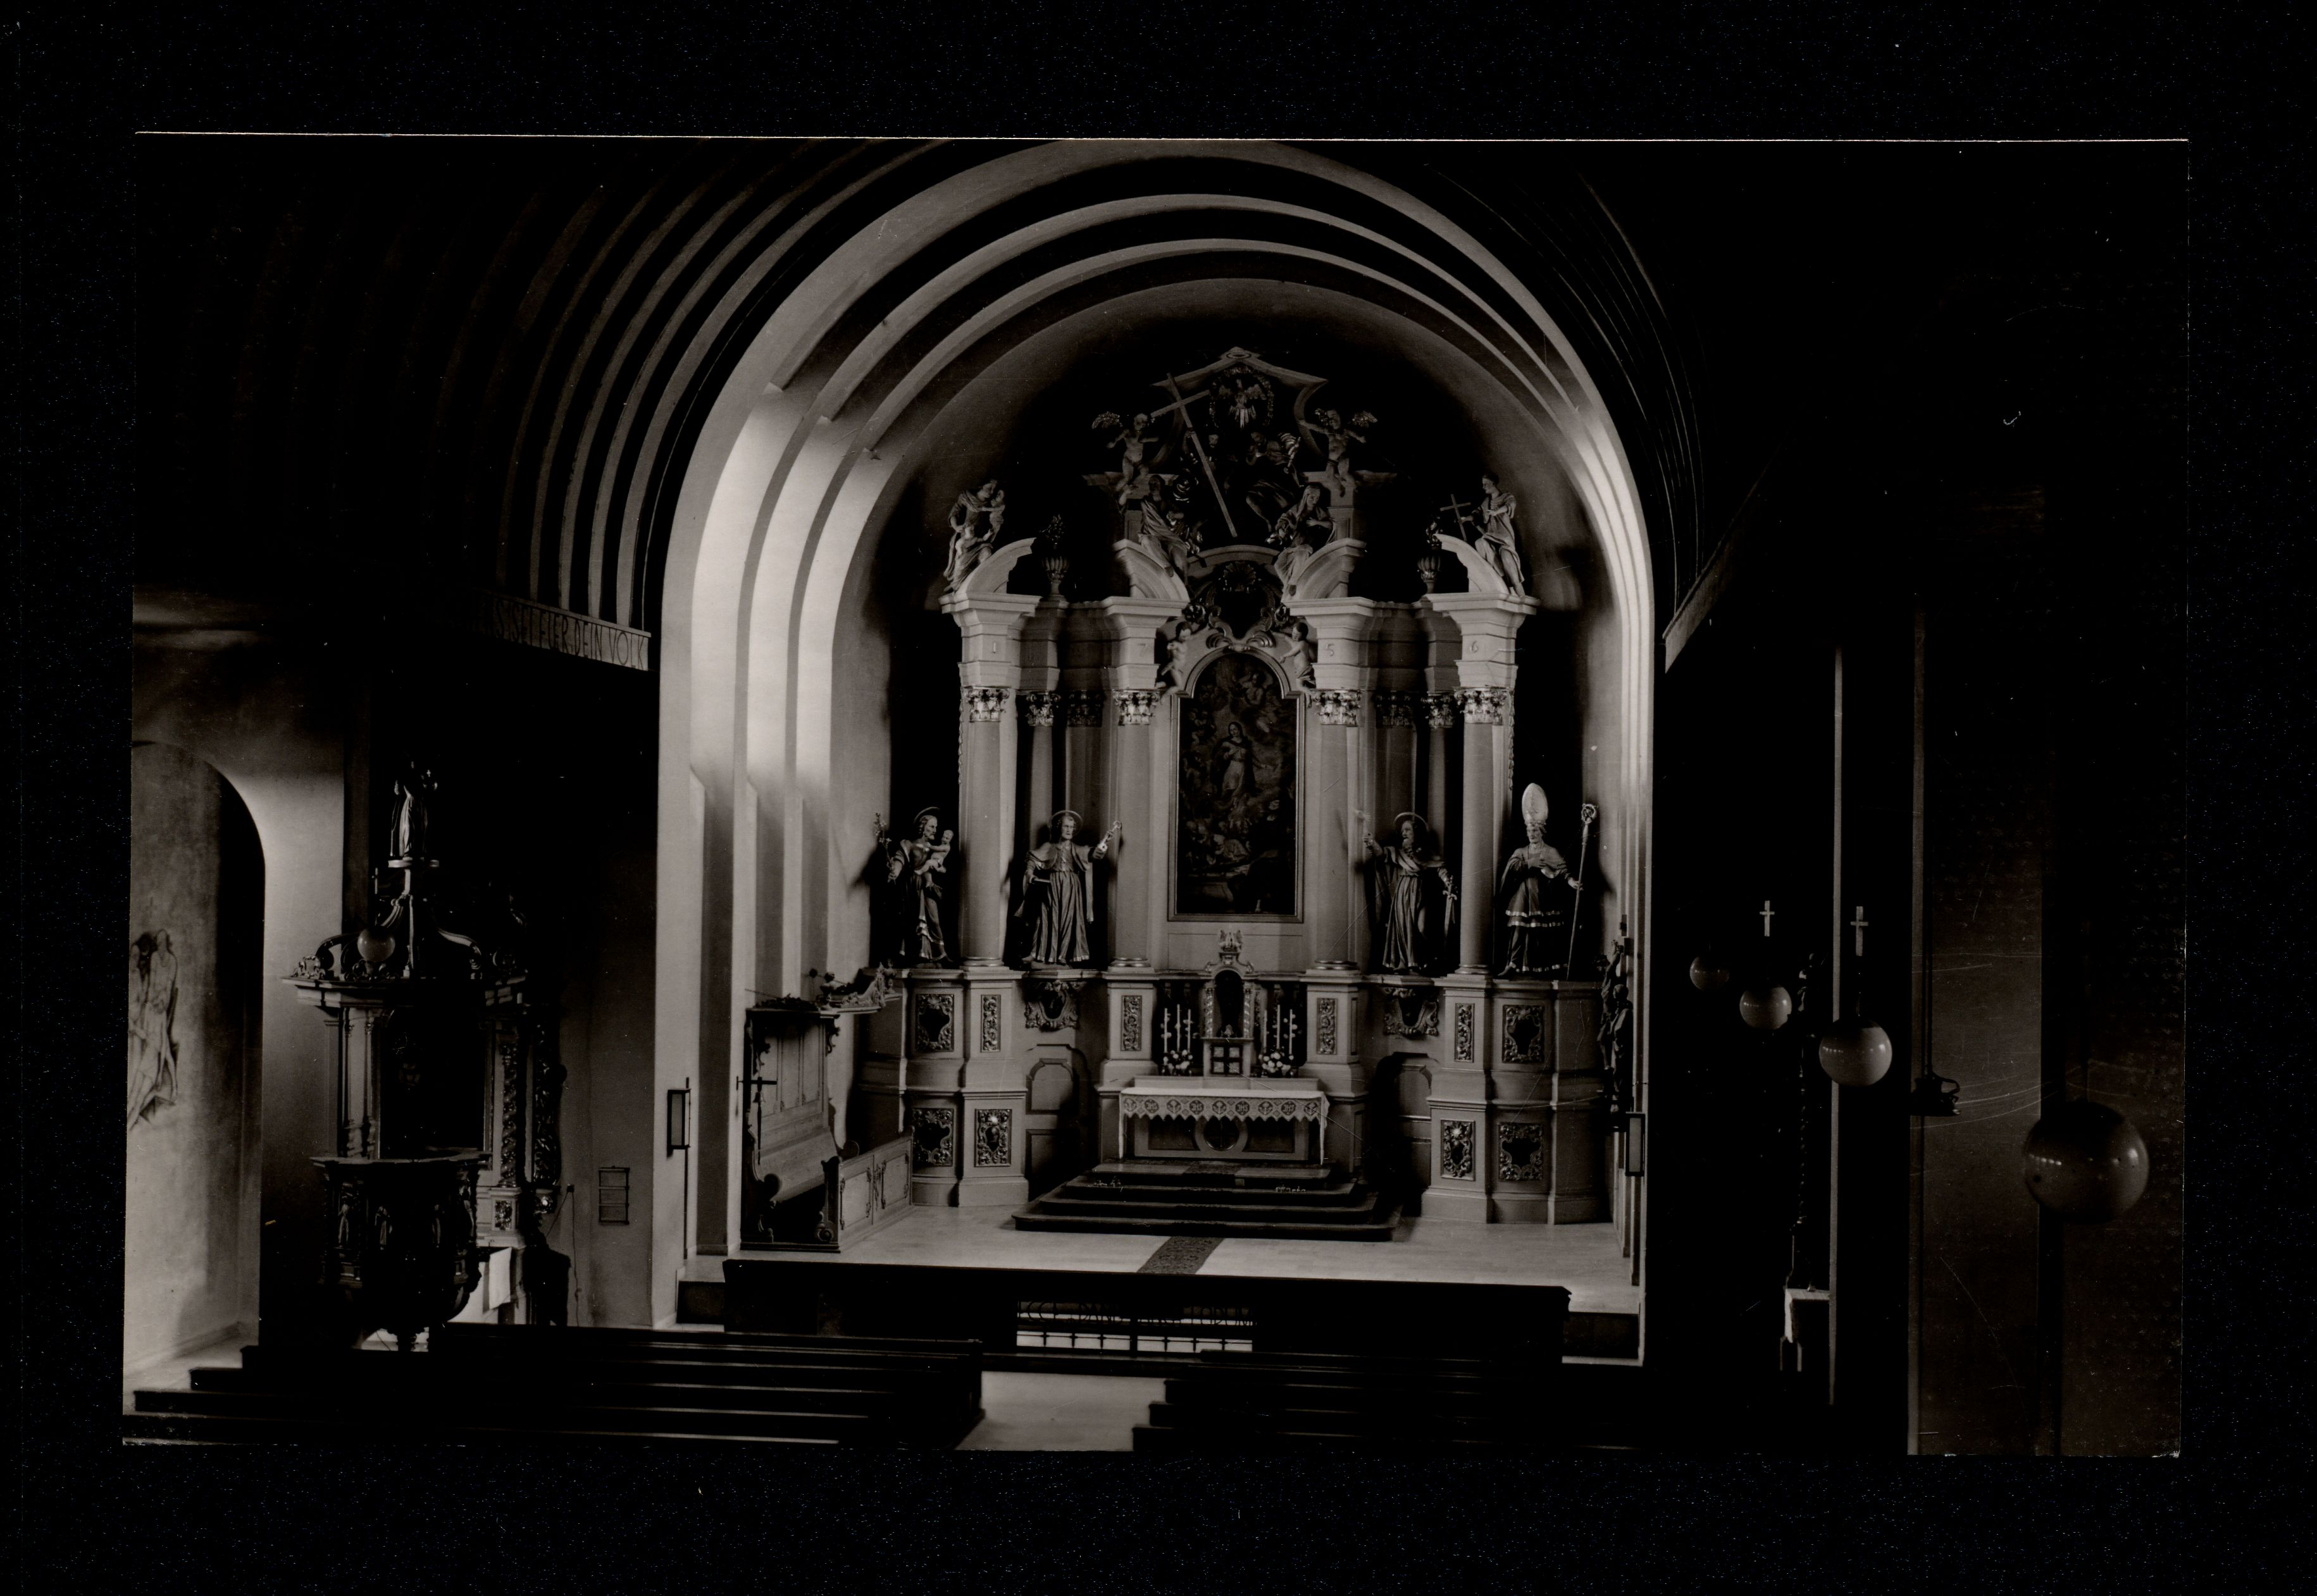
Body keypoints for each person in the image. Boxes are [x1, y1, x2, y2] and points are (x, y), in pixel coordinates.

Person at [1017, 810, 1119, 966]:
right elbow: (1032, 859)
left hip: (1070, 886)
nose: (1069, 830)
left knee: (1068, 919)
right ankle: (1036, 953)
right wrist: (1030, 873)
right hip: (1051, 884)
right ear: (1059, 827)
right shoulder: (1049, 846)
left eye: (1072, 827)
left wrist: (1104, 843)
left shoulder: (1076, 848)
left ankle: (1062, 955)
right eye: (1066, 826)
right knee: (1044, 919)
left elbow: (1094, 855)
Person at [1362, 812, 1455, 973]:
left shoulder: (1427, 853)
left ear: (1416, 833)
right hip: (1403, 891)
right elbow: (1381, 854)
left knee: (1422, 927)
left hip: (1421, 891)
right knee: (1403, 926)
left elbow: (1439, 868)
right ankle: (1407, 962)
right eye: (1402, 831)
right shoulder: (1398, 852)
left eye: (1408, 830)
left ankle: (1426, 959)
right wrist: (1371, 842)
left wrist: (1448, 881)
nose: (1404, 833)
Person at [1499, 783, 1577, 974]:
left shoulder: (1551, 851)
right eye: (1529, 831)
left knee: (1544, 932)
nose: (1531, 834)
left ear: (1542, 831)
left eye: (1535, 831)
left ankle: (1545, 968)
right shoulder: (1521, 851)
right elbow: (1511, 868)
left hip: (1543, 898)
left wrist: (1571, 881)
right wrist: (1529, 863)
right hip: (1523, 897)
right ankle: (1513, 965)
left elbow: (1562, 870)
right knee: (1519, 931)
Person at [873, 808, 953, 965]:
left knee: (934, 920)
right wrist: (895, 871)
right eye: (931, 827)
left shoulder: (932, 848)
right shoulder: (909, 844)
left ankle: (940, 954)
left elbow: (942, 868)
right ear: (922, 827)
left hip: (927, 885)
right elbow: (899, 860)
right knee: (914, 920)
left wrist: (939, 867)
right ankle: (918, 955)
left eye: (936, 827)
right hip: (913, 885)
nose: (935, 830)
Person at [1476, 472, 1525, 592]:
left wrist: (1496, 512)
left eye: (1486, 484)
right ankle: (1500, 581)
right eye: (1483, 484)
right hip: (1490, 536)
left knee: (1508, 559)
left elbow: (1510, 505)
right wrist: (1467, 518)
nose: (1483, 487)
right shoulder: (1486, 502)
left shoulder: (1506, 497)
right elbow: (1477, 512)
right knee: (1481, 543)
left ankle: (1520, 593)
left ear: (1493, 483)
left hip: (1504, 537)